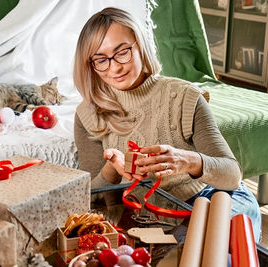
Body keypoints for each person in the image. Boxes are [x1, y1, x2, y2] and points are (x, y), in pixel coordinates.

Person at [73, 7, 261, 242]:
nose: (114, 67)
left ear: (140, 45)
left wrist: (188, 161)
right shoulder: (87, 115)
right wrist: (112, 169)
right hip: (150, 216)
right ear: (91, 64)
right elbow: (89, 197)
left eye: (122, 52)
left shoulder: (184, 97)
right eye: (101, 59)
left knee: (210, 246)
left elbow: (232, 175)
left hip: (215, 197)